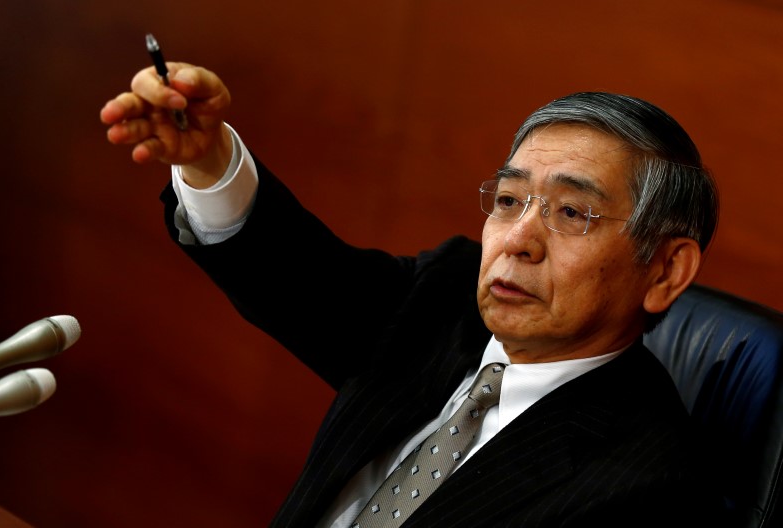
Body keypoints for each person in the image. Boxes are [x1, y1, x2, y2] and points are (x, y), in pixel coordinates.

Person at [101, 62, 724, 527]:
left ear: (667, 270)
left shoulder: (650, 490)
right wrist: (208, 159)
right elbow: (295, 276)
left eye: (572, 212)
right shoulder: (442, 303)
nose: (518, 241)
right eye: (509, 201)